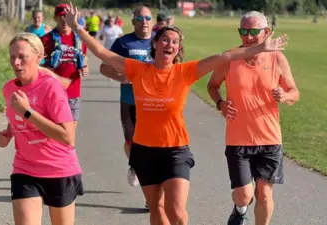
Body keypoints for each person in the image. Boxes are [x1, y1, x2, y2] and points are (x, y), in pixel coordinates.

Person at [63, 3, 288, 225]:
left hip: (175, 151)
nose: (170, 44)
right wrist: (77, 28)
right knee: (157, 209)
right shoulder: (138, 69)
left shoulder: (185, 72)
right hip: (144, 151)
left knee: (177, 213)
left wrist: (260, 48)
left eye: (175, 42)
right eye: (165, 40)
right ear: (155, 44)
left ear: (178, 49)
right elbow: (101, 52)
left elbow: (223, 57)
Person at [207, 11, 299, 225]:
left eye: (253, 32)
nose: (248, 37)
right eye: (243, 31)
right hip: (238, 139)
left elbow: (295, 91)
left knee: (265, 195)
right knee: (245, 195)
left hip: (269, 138)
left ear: (266, 32)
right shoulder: (230, 58)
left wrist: (284, 95)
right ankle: (240, 210)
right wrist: (220, 103)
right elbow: (212, 86)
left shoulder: (277, 58)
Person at [0, 32, 83, 225]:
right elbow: (15, 118)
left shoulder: (51, 87)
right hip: (25, 168)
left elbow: (68, 137)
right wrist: (8, 133)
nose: (16, 63)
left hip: (59, 169)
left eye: (22, 57)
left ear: (38, 57)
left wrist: (27, 113)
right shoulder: (9, 89)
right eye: (13, 57)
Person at [100, 6, 154, 190]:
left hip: (155, 104)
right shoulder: (123, 43)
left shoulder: (160, 41)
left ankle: (151, 187)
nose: (144, 21)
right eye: (140, 18)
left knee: (153, 145)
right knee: (131, 141)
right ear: (133, 22)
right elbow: (104, 67)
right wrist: (120, 77)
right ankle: (135, 164)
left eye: (147, 18)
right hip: (129, 101)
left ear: (152, 20)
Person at [41, 3, 89, 128]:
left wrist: (85, 67)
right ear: (55, 18)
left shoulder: (79, 39)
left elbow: (84, 58)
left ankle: (68, 148)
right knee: (55, 129)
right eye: (61, 16)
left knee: (70, 130)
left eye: (67, 16)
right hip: (53, 92)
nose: (65, 20)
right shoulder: (45, 40)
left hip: (74, 90)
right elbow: (37, 66)